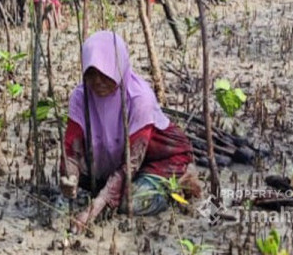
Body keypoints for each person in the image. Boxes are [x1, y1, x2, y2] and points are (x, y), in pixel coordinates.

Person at [60, 30, 200, 232]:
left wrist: (95, 208)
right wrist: (69, 177)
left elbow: (131, 162)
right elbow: (71, 147)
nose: (98, 81)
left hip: (159, 159)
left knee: (131, 203)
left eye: (105, 72)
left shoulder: (138, 99)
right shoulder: (80, 97)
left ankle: (179, 183)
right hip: (115, 158)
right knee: (85, 181)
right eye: (91, 73)